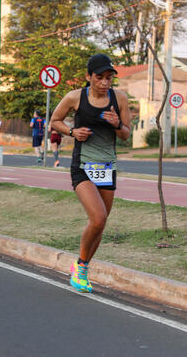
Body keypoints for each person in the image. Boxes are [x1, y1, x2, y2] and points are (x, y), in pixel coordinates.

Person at [50, 53, 131, 293]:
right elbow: (55, 121)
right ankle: (81, 267)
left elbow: (126, 134)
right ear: (88, 77)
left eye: (109, 78)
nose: (105, 83)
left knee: (101, 224)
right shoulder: (75, 97)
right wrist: (73, 132)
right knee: (98, 217)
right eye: (99, 77)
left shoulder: (120, 99)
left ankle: (83, 265)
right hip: (83, 165)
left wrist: (117, 124)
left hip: (107, 166)